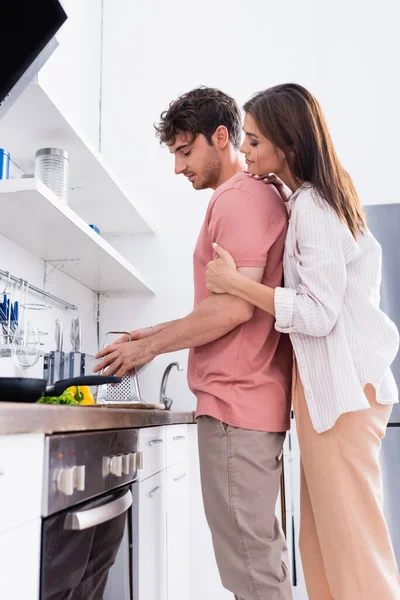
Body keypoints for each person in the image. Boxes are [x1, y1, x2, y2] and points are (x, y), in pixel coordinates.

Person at [94, 87, 293, 600]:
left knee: (251, 571)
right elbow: (222, 307)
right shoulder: (245, 197)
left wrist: (150, 349)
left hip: (235, 405)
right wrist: (152, 335)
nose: (179, 168)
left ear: (220, 138)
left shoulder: (241, 199)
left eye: (186, 152)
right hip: (243, 405)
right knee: (255, 563)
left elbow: (234, 308)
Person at [204, 83, 400, 600]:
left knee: (355, 554)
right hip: (332, 401)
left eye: (252, 142)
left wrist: (238, 285)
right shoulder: (308, 200)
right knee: (323, 550)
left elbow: (317, 313)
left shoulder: (314, 207)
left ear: (287, 146)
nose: (241, 152)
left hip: (344, 399)